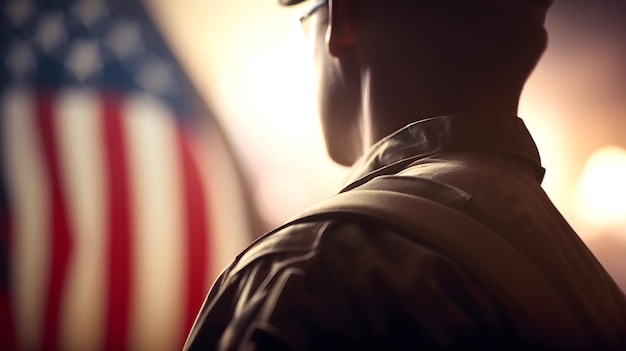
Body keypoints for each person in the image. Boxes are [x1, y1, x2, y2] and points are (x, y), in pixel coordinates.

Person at [184, 0, 626, 349]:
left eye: (306, 18)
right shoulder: (594, 290)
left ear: (345, 17)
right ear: (533, 48)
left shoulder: (307, 270)